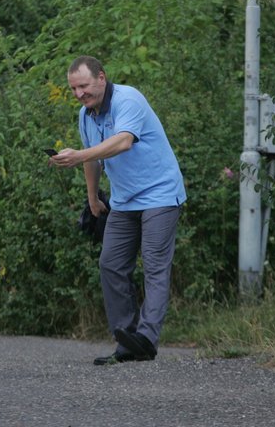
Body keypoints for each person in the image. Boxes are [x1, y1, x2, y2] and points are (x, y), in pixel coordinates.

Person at [50, 56, 186, 365]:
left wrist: (80, 153)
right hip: (124, 200)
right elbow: (92, 160)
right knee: (110, 264)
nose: (79, 94)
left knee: (153, 267)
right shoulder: (86, 115)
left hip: (160, 195)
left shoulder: (129, 99)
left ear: (101, 78)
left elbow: (123, 142)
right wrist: (93, 198)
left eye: (83, 86)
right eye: (73, 89)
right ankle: (127, 339)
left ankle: (147, 339)